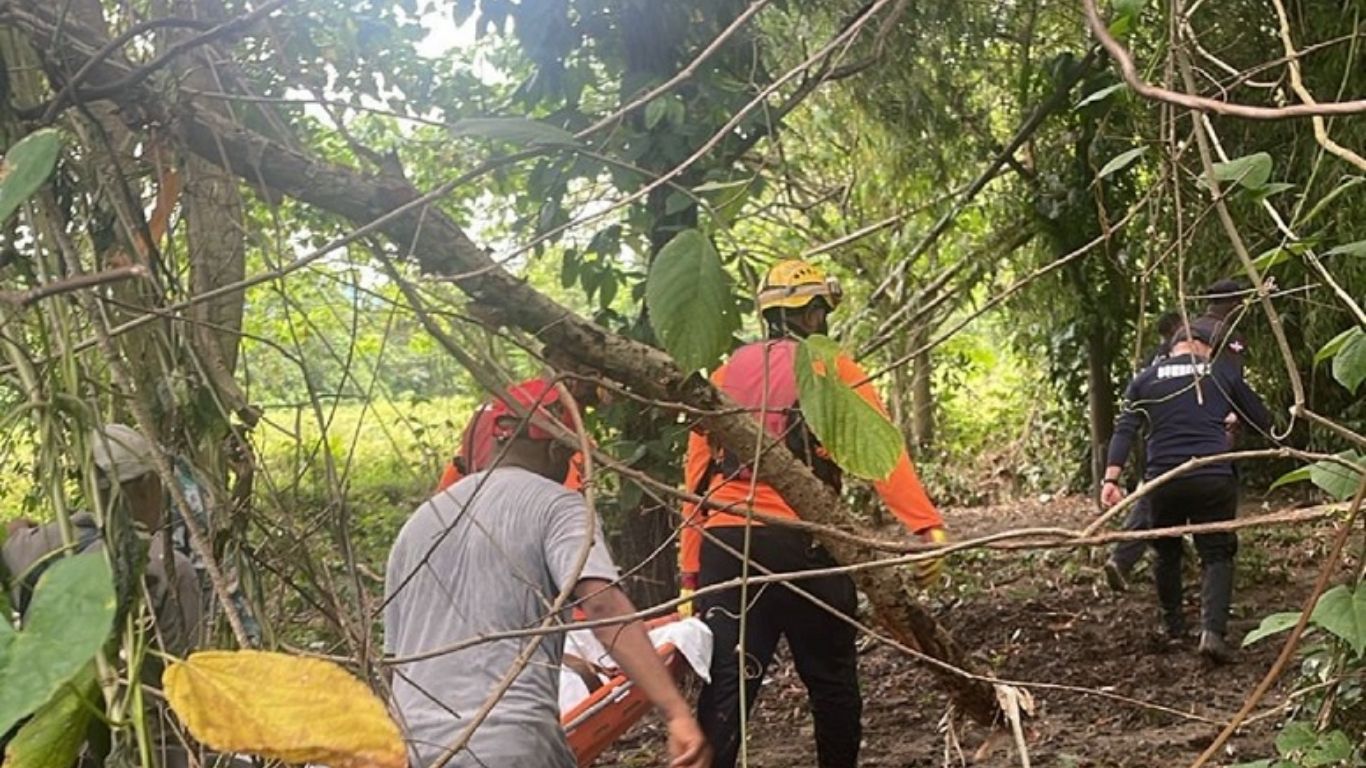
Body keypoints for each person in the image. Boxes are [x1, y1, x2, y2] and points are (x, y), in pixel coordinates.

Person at [678, 259, 948, 768]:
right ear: (810, 316)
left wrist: (691, 575)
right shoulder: (832, 368)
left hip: (728, 545)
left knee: (727, 691)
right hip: (807, 544)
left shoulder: (721, 376)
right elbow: (881, 454)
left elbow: (697, 482)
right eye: (820, 311)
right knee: (832, 684)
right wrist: (924, 525)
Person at [384, 380, 709, 768]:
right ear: (557, 447)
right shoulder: (558, 506)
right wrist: (676, 712)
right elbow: (603, 607)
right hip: (509, 743)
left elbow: (396, 661)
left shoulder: (419, 523)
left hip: (416, 747)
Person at [2, 423, 202, 766]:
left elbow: (12, 538)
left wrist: (21, 528)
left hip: (58, 741)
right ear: (145, 486)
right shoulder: (166, 567)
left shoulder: (36, 549)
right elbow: (183, 686)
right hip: (144, 745)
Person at [1100, 325, 1272, 663]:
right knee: (1217, 555)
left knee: (1166, 551)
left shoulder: (1145, 378)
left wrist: (1111, 479)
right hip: (1212, 475)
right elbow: (1262, 419)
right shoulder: (1222, 372)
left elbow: (1125, 429)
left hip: (1163, 479)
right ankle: (1212, 633)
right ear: (1205, 348)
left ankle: (1173, 626)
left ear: (1174, 347)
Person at [1105, 310, 1182, 592]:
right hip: (1179, 442)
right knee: (1153, 504)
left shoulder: (1150, 364)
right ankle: (1123, 558)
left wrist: (1111, 476)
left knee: (1151, 502)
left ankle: (1124, 558)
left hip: (1150, 443)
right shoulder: (1184, 358)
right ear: (1177, 330)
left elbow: (1129, 421)